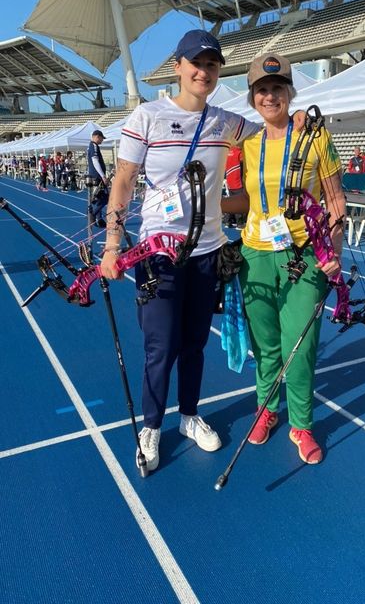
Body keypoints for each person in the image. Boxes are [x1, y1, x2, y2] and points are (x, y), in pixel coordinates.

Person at [100, 30, 264, 472]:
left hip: (208, 254)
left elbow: (271, 133)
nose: (203, 72)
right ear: (178, 66)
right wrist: (112, 245)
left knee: (194, 344)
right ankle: (151, 427)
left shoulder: (226, 122)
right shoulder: (147, 116)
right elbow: (123, 180)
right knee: (161, 346)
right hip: (159, 255)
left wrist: (298, 117)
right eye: (196, 63)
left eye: (212, 65)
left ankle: (190, 415)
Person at [225, 53, 344, 465]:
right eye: (262, 89)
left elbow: (336, 200)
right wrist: (208, 205)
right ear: (253, 97)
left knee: (302, 344)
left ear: (289, 93)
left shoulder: (315, 138)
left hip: (304, 256)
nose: (270, 96)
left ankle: (303, 424)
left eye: (277, 88)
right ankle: (267, 410)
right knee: (266, 345)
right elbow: (246, 199)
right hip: (254, 257)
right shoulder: (247, 144)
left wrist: (335, 256)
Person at [87, 129, 109, 228]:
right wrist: (103, 176)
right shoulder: (94, 146)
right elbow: (95, 161)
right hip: (97, 177)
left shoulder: (92, 146)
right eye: (101, 138)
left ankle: (99, 219)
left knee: (98, 199)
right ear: (97, 136)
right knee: (104, 198)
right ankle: (93, 214)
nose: (102, 141)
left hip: (95, 176)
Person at [223, 145, 245, 228]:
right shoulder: (239, 152)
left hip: (229, 181)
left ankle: (227, 221)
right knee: (239, 202)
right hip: (237, 181)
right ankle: (240, 223)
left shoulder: (228, 151)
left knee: (230, 200)